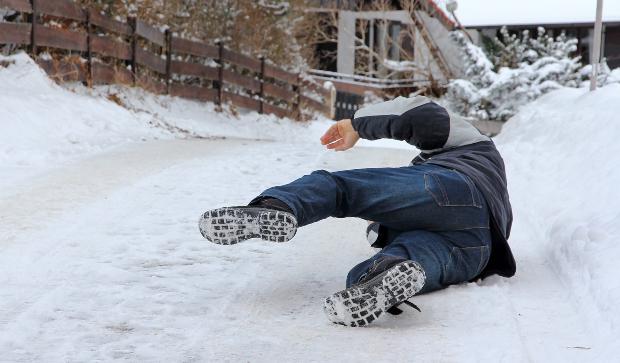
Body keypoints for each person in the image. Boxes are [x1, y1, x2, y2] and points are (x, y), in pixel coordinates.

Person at [199, 96, 516, 327]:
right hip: (479, 248)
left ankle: (277, 207)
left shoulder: (474, 146)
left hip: (454, 188)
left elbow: (424, 116)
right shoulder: (498, 198)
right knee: (404, 257)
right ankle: (382, 278)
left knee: (340, 189)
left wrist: (356, 125)